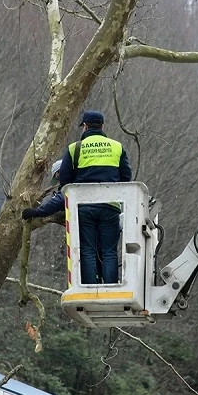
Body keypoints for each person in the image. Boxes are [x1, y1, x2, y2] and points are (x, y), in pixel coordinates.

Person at [57, 110, 132, 284]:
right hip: (110, 206)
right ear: (102, 126)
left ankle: (91, 286)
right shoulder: (117, 147)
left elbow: (65, 180)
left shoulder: (74, 148)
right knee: (109, 252)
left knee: (88, 250)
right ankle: (111, 285)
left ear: (85, 126)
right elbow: (126, 177)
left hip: (83, 207)